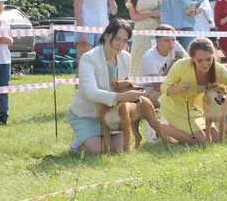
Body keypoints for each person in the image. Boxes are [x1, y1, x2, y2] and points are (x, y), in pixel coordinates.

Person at [67, 18, 170, 154]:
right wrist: (123, 96)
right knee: (99, 150)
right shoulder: (88, 58)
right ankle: (79, 139)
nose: (120, 44)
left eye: (125, 40)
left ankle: (92, 138)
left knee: (118, 149)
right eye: (117, 39)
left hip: (113, 116)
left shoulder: (126, 57)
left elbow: (125, 85)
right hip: (88, 114)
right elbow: (91, 93)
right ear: (106, 35)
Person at [158, 37, 227, 144]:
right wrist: (178, 89)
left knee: (217, 139)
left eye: (209, 59)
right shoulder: (181, 65)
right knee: (200, 141)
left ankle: (177, 129)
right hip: (174, 108)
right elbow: (164, 88)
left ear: (213, 56)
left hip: (196, 109)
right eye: (199, 61)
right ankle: (158, 126)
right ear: (192, 58)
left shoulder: (220, 70)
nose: (205, 64)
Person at [125, 0, 162, 76]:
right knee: (138, 56)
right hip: (140, 31)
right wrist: (151, 14)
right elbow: (134, 16)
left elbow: (162, 11)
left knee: (155, 56)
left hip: (155, 29)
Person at [139, 24, 187, 107]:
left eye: (173, 39)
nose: (171, 43)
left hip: (170, 83)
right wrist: (172, 66)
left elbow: (189, 62)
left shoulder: (175, 46)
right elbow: (157, 87)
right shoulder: (150, 57)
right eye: (167, 40)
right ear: (157, 41)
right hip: (150, 87)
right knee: (168, 103)